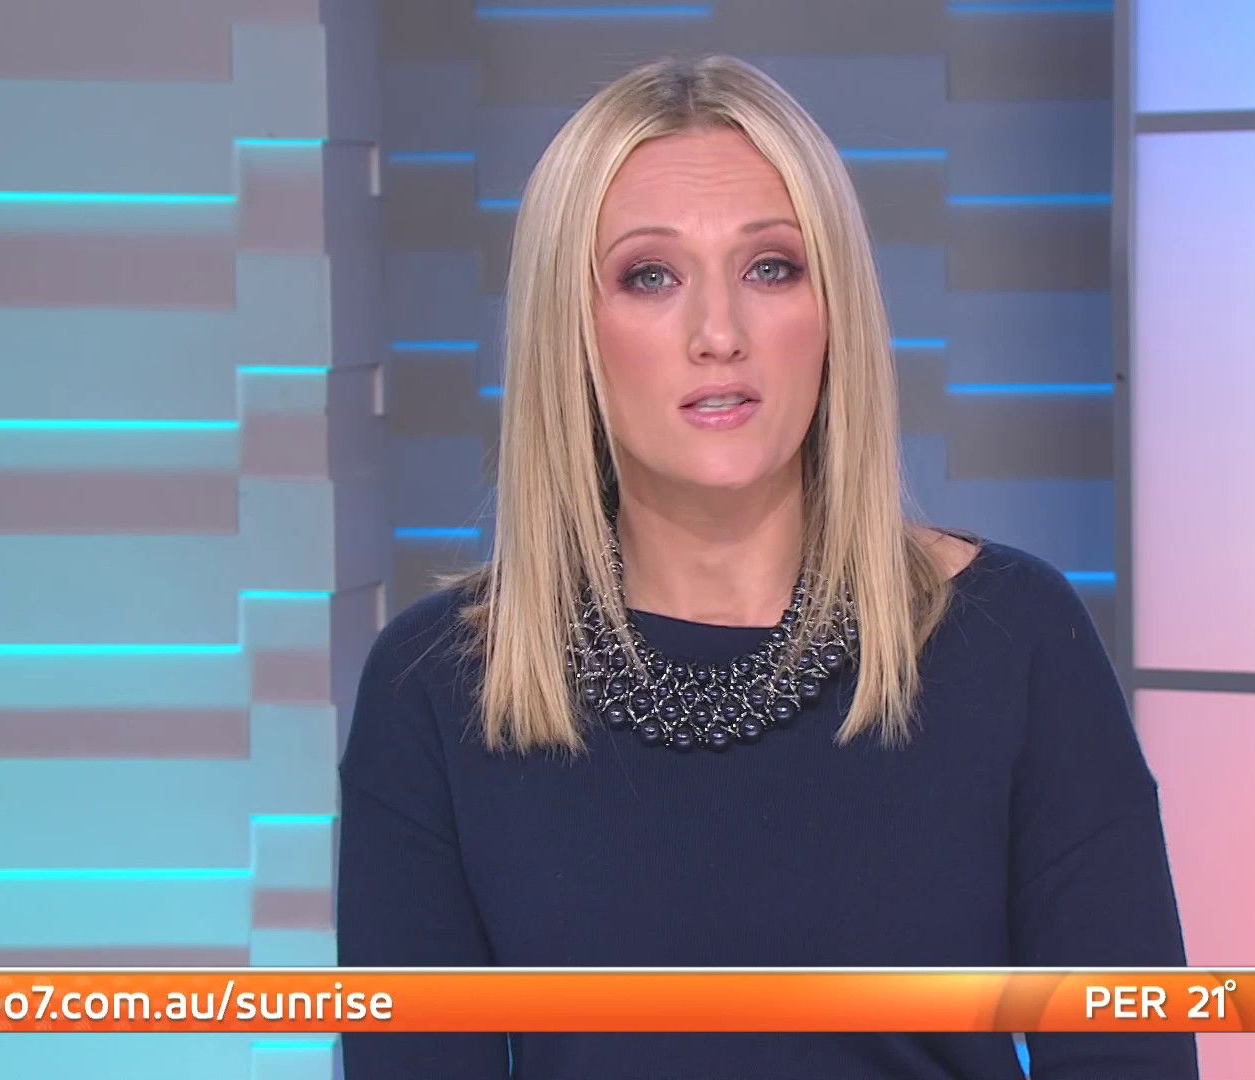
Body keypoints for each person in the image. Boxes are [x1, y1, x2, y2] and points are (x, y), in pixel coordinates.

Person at [338, 54, 1197, 1080]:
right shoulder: (436, 688)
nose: (719, 334)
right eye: (650, 276)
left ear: (833, 312)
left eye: (771, 268)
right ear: (572, 332)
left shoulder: (1015, 641)